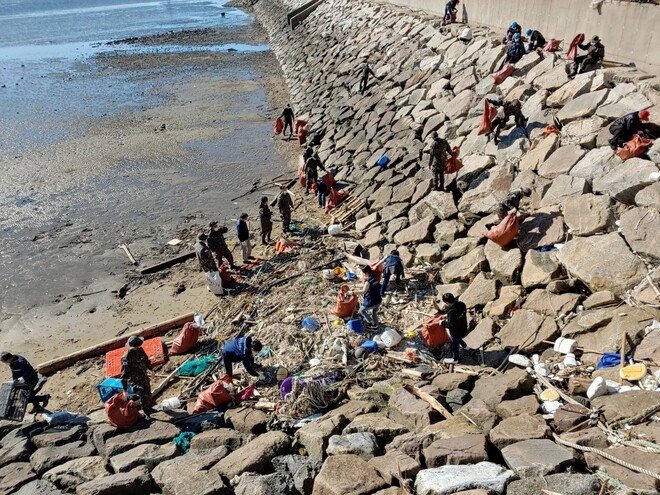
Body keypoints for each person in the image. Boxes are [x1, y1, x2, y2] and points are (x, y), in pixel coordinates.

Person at [121, 336, 153, 411]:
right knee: (143, 395)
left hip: (144, 376)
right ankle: (146, 413)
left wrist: (151, 370)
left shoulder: (140, 350)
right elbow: (124, 375)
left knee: (148, 393)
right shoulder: (126, 358)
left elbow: (146, 360)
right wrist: (125, 390)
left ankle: (150, 408)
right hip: (135, 381)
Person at [441, 293, 468, 364]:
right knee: (459, 338)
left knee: (455, 345)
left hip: (455, 332)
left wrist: (442, 323)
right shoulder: (462, 304)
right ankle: (465, 346)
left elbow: (449, 325)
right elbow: (458, 315)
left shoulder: (451, 312)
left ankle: (455, 359)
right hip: (463, 328)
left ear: (447, 302)